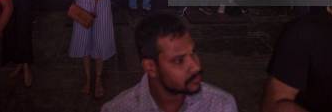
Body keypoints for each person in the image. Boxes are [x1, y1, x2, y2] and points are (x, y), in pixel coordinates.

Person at [102, 12, 238, 112]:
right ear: (151, 67)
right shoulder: (117, 109)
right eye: (179, 60)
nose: (196, 66)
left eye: (193, 53)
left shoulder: (220, 105)